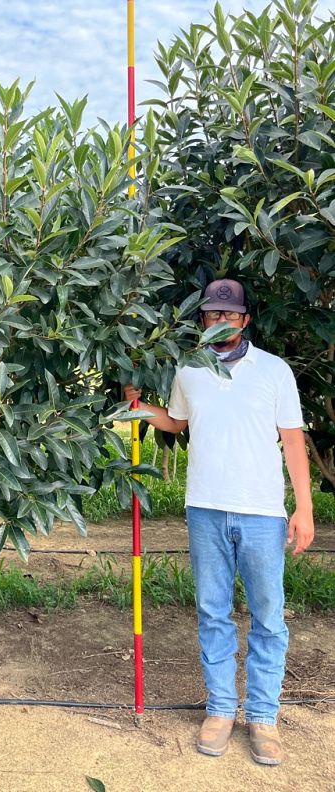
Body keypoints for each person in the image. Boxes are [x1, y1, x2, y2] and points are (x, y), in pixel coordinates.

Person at [124, 279, 314, 766]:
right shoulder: (189, 368)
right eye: (212, 315)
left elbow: (293, 441)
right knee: (213, 613)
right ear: (202, 320)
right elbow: (178, 422)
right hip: (204, 508)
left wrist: (304, 507)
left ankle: (264, 716)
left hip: (262, 512)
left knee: (268, 617)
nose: (221, 321)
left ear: (245, 319)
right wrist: (140, 407)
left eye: (229, 315)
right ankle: (221, 709)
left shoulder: (274, 371)